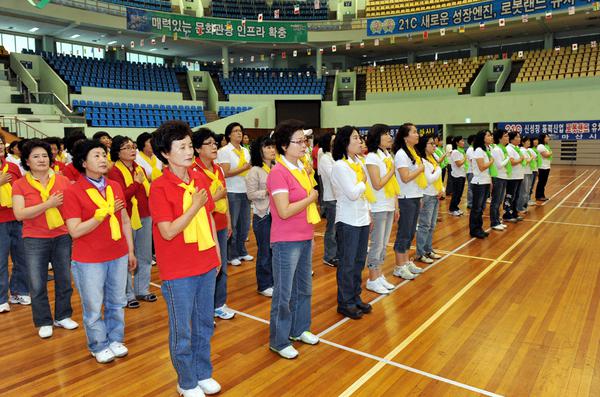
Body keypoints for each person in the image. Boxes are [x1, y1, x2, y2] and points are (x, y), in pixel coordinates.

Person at [150, 121, 221, 396]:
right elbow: (167, 231)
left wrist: (216, 251)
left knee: (204, 323)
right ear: (166, 153)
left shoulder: (199, 177)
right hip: (178, 269)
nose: (189, 151)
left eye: (190, 145)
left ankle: (203, 373)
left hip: (205, 261)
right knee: (183, 330)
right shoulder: (159, 187)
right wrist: (193, 207)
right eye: (182, 147)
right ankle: (186, 381)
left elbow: (209, 217)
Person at [62, 139, 137, 364]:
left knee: (116, 301)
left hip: (118, 253)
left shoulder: (114, 186)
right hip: (89, 259)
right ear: (83, 162)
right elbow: (75, 231)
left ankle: (115, 339)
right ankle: (98, 344)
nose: (103, 159)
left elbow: (124, 220)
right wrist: (101, 214)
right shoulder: (73, 191)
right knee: (93, 306)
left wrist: (131, 250)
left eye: (104, 155)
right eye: (96, 155)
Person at [12, 139, 78, 338]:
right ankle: (43, 320)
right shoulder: (20, 184)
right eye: (35, 156)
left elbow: (71, 207)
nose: (41, 160)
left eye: (44, 156)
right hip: (34, 238)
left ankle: (63, 315)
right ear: (26, 161)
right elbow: (19, 214)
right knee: (37, 283)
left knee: (64, 279)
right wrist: (47, 204)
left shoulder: (62, 180)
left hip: (62, 235)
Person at [267, 119, 320, 359]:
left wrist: (311, 236)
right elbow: (284, 210)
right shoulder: (278, 172)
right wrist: (311, 198)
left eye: (304, 141)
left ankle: (299, 329)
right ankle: (279, 340)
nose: (304, 145)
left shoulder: (302, 168)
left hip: (304, 236)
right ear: (284, 146)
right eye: (298, 141)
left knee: (304, 289)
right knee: (284, 293)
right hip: (285, 241)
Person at [108, 136, 156, 309]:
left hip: (145, 215)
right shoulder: (114, 172)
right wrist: (136, 184)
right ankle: (127, 294)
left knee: (144, 256)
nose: (132, 150)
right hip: (126, 217)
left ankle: (142, 289)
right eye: (127, 148)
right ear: (117, 152)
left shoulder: (140, 168)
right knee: (127, 257)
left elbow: (147, 192)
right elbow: (122, 197)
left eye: (133, 146)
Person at [192, 128, 235, 320]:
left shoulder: (217, 169)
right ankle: (204, 309)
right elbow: (198, 202)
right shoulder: (193, 170)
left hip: (220, 221)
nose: (214, 146)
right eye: (208, 143)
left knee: (222, 267)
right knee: (206, 269)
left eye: (214, 143)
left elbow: (225, 198)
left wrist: (229, 221)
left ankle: (219, 303)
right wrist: (215, 196)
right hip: (204, 225)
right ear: (198, 149)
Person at [331, 126, 374, 319]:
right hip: (347, 221)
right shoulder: (340, 166)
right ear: (345, 142)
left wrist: (369, 214)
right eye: (355, 138)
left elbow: (364, 195)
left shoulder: (359, 162)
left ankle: (355, 297)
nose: (360, 141)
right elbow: (353, 193)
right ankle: (345, 302)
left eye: (360, 138)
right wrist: (364, 181)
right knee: (347, 264)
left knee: (358, 262)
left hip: (362, 218)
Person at [364, 124, 397, 295]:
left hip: (389, 204)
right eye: (386, 134)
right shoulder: (371, 158)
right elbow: (377, 184)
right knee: (377, 244)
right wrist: (392, 170)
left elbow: (392, 185)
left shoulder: (387, 156)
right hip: (378, 206)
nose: (390, 137)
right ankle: (372, 278)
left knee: (384, 244)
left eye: (390, 134)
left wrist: (396, 206)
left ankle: (379, 274)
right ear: (377, 137)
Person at [392, 123, 426, 280]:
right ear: (405, 136)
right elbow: (405, 178)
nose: (417, 134)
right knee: (404, 232)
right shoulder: (401, 154)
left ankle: (406, 262)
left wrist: (419, 196)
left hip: (414, 195)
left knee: (411, 231)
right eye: (414, 132)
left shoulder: (413, 152)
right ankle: (399, 266)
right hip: (405, 198)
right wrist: (419, 169)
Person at [217, 122, 253, 267]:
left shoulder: (245, 150)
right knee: (234, 225)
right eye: (236, 131)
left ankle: (242, 251)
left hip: (245, 190)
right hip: (232, 191)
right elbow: (225, 173)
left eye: (240, 131)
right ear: (229, 134)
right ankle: (231, 255)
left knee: (244, 224)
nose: (239, 133)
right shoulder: (225, 151)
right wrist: (243, 168)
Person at [0, 135, 29, 313]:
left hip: (17, 217)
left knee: (22, 258)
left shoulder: (12, 166)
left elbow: (21, 190)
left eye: (1, 143)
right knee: (1, 261)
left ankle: (18, 291)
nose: (0, 146)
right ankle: (1, 297)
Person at [246, 136, 276, 297]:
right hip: (263, 216)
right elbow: (250, 194)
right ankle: (264, 284)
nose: (272, 150)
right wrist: (266, 191)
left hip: (277, 215)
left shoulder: (276, 167)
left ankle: (273, 280)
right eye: (268, 147)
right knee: (264, 251)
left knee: (274, 250)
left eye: (273, 147)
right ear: (260, 150)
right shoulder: (255, 171)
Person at [415, 134, 445, 262]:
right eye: (431, 144)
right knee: (424, 225)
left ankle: (428, 249)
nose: (434, 146)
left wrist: (441, 190)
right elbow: (429, 179)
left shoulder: (432, 158)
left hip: (435, 195)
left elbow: (437, 178)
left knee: (431, 225)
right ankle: (420, 252)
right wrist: (438, 168)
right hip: (426, 195)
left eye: (434, 143)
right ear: (424, 145)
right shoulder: (422, 160)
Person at [317, 132, 338, 267]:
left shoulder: (335, 157)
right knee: (332, 229)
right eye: (333, 140)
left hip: (339, 197)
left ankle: (337, 254)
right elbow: (333, 176)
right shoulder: (325, 158)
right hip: (331, 197)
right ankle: (329, 256)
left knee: (338, 229)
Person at [469, 130, 495, 239]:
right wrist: (491, 161)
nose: (491, 137)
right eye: (488, 136)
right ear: (482, 138)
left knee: (481, 207)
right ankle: (474, 230)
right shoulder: (479, 150)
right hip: (479, 182)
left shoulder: (487, 149)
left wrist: (490, 181)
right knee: (477, 208)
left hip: (485, 181)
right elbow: (482, 167)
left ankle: (479, 228)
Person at [490, 129, 511, 231]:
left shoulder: (503, 149)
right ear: (499, 138)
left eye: (507, 136)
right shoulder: (497, 150)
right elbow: (499, 165)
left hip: (504, 176)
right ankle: (494, 222)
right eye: (505, 136)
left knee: (499, 201)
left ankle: (498, 220)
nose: (508, 138)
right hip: (498, 177)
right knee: (496, 201)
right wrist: (508, 159)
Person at [503, 131, 524, 223]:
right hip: (512, 177)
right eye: (517, 137)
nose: (519, 139)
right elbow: (511, 162)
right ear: (512, 139)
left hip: (519, 175)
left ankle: (514, 213)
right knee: (510, 196)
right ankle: (507, 214)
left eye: (519, 137)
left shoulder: (517, 148)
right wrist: (521, 159)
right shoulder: (509, 149)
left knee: (516, 196)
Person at [448, 136, 467, 216]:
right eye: (461, 141)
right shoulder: (455, 152)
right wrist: (465, 158)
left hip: (462, 175)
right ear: (457, 143)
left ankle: (456, 207)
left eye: (463, 141)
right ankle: (452, 209)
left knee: (460, 193)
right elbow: (458, 164)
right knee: (456, 193)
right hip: (456, 175)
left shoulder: (461, 152)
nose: (463, 142)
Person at [516, 136, 534, 214]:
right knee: (523, 191)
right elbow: (525, 162)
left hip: (529, 171)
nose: (529, 142)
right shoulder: (522, 151)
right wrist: (531, 158)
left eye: (529, 141)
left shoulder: (527, 150)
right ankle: (520, 207)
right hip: (524, 172)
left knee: (527, 190)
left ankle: (524, 206)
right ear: (523, 142)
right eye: (527, 141)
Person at [535, 133, 553, 201]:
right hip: (542, 167)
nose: (548, 138)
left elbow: (548, 154)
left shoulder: (546, 146)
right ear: (543, 138)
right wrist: (550, 153)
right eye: (547, 137)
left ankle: (542, 195)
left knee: (544, 182)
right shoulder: (540, 146)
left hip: (547, 166)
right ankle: (538, 196)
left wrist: (549, 153)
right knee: (541, 182)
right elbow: (546, 155)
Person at [527, 136, 540, 207]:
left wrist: (537, 169)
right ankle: (527, 199)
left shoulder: (535, 149)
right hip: (531, 170)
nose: (536, 141)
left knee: (531, 186)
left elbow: (536, 160)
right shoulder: (530, 149)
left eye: (537, 140)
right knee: (529, 186)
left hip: (535, 169)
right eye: (534, 140)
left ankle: (528, 198)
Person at [465, 134, 475, 209]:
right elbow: (473, 161)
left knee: (473, 188)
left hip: (474, 171)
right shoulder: (470, 149)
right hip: (471, 171)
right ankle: (470, 203)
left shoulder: (474, 149)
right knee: (471, 188)